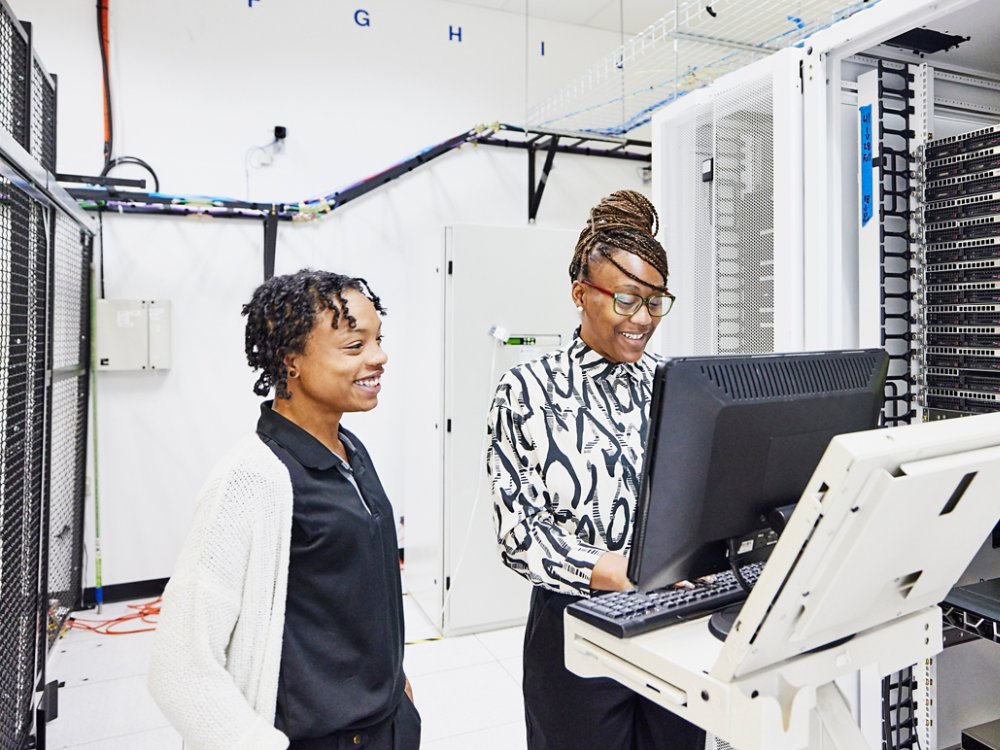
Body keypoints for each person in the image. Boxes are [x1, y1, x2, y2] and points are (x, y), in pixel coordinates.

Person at [149, 269, 419, 750]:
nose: (379, 357)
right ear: (291, 361)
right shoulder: (250, 479)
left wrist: (394, 684)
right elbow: (179, 667)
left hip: (386, 724)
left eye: (378, 339)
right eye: (355, 346)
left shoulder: (350, 451)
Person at [486, 190, 705, 750]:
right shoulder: (528, 390)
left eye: (656, 302)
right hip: (575, 624)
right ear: (581, 294)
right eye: (628, 299)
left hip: (671, 617)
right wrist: (605, 568)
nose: (643, 320)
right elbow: (519, 534)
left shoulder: (674, 382)